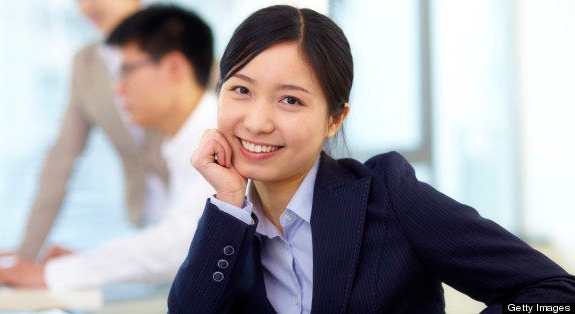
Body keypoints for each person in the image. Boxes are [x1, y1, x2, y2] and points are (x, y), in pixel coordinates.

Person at [168, 5, 575, 313]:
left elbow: (556, 295)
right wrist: (227, 203)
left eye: (290, 99)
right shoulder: (230, 221)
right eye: (241, 90)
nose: (256, 122)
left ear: (334, 119)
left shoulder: (390, 195)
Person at [0, 4, 216, 290]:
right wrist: (68, 264)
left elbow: (183, 244)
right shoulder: (183, 142)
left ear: (174, 68)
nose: (117, 89)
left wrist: (63, 273)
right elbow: (178, 247)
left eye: (127, 72)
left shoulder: (217, 139)